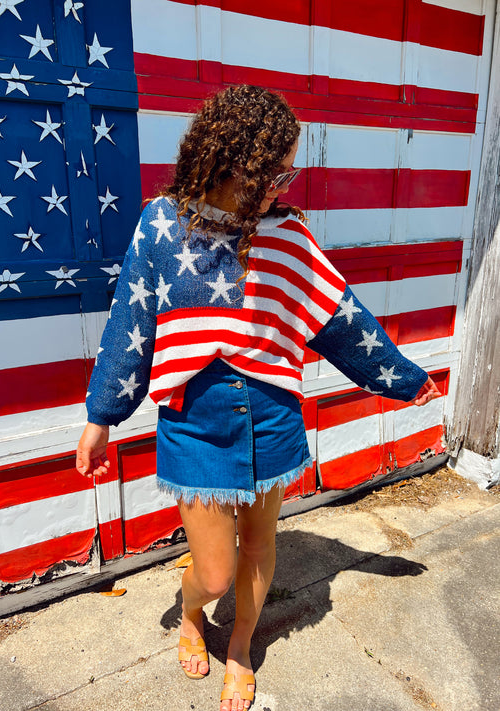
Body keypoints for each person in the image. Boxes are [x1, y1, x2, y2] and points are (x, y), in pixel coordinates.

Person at [76, 85, 441, 711]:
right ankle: (192, 613)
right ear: (227, 158)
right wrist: (100, 418)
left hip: (270, 418)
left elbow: (339, 319)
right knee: (214, 570)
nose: (283, 184)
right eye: (272, 171)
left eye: (288, 171)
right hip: (194, 424)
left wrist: (402, 378)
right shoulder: (163, 223)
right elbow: (128, 326)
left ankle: (241, 648)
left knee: (262, 544)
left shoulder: (288, 236)